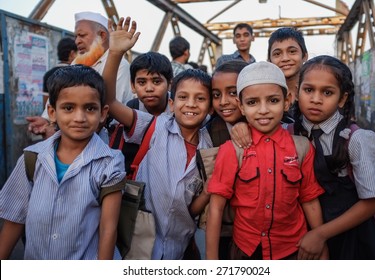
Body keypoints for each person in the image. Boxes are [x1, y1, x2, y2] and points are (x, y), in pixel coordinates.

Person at [103, 17, 213, 260]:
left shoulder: (209, 147)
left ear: (211, 107)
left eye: (201, 99)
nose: (191, 105)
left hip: (180, 247)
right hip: (139, 246)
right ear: (172, 103)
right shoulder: (154, 126)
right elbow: (109, 101)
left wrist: (208, 192)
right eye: (183, 98)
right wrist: (115, 53)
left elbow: (192, 207)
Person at [0, 65, 126, 260]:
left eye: (90, 108)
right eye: (68, 108)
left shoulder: (109, 162)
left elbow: (108, 229)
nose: (79, 118)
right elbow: (14, 219)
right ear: (52, 112)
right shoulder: (32, 158)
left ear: (103, 113)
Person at [205, 61, 326, 260]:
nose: (263, 110)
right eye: (252, 102)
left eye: (273, 100)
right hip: (246, 249)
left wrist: (321, 243)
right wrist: (212, 260)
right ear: (241, 107)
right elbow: (216, 207)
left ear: (287, 101)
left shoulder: (302, 147)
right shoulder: (232, 150)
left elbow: (309, 199)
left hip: (292, 248)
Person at [291, 55, 375, 259]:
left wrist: (320, 234)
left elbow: (371, 203)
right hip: (304, 237)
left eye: (327, 92)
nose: (316, 99)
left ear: (343, 98)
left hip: (355, 240)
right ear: (297, 92)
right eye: (308, 90)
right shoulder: (289, 133)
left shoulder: (356, 139)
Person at [27, 11, 133, 137]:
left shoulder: (120, 65)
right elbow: (57, 97)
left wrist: (57, 132)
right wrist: (46, 120)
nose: (77, 41)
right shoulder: (77, 62)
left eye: (82, 35)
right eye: (76, 36)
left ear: (103, 36)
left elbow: (107, 113)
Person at [199, 59, 248, 259]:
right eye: (217, 95)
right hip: (222, 229)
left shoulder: (268, 126)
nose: (224, 102)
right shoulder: (208, 132)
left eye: (233, 93)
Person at [26, 37, 77, 137]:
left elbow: (46, 102)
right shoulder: (77, 74)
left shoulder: (48, 74)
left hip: (53, 126)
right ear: (72, 54)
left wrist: (50, 120)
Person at [268, 27, 308, 122]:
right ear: (269, 61)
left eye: (292, 51)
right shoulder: (265, 95)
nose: (285, 58)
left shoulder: (316, 93)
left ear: (305, 56)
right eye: (277, 54)